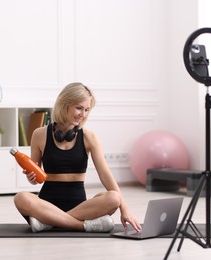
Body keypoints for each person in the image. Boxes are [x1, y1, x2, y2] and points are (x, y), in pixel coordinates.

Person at [14, 82, 142, 233]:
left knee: (114, 198)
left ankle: (48, 222)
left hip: (80, 207)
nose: (83, 114)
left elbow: (105, 174)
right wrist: (31, 177)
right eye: (79, 108)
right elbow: (34, 180)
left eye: (87, 109)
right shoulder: (39, 134)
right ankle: (81, 225)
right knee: (20, 198)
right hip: (46, 204)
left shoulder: (89, 137)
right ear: (64, 105)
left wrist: (124, 208)